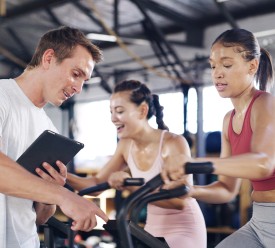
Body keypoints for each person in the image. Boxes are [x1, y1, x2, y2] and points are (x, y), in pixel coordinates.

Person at [161, 28, 275, 248]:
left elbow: (263, 164)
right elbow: (226, 189)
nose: (217, 73)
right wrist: (189, 191)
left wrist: (192, 164)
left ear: (252, 66)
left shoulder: (265, 103)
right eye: (213, 66)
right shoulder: (228, 120)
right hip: (259, 222)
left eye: (227, 65)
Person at [0, 26, 108, 248]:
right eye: (76, 74)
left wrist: (50, 192)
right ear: (49, 58)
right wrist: (63, 196)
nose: (78, 88)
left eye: (84, 81)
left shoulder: (49, 129)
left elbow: (39, 217)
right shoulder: (2, 98)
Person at [67, 79, 207, 248]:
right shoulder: (126, 145)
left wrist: (129, 186)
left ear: (142, 111)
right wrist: (62, 176)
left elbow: (179, 202)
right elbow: (97, 184)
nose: (113, 118)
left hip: (185, 228)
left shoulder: (173, 143)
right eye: (111, 112)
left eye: (119, 111)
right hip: (153, 227)